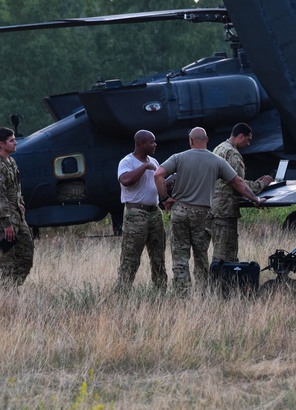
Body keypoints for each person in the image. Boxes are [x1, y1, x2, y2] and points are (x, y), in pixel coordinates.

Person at [154, 126, 263, 294]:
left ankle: (182, 293)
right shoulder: (217, 161)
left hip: (180, 211)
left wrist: (165, 199)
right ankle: (203, 292)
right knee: (201, 256)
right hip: (202, 213)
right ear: (207, 140)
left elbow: (158, 175)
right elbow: (238, 182)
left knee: (180, 256)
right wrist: (255, 198)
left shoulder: (178, 157)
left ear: (190, 141)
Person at [210, 123, 274, 262]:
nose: (249, 144)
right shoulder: (232, 153)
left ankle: (219, 280)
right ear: (240, 136)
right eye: (248, 139)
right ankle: (223, 281)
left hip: (216, 207)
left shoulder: (219, 148)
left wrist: (254, 185)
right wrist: (261, 186)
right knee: (226, 252)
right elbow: (237, 182)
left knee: (220, 247)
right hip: (225, 209)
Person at [116, 130, 167, 291]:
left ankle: (160, 290)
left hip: (154, 212)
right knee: (131, 257)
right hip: (136, 213)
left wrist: (166, 192)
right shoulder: (127, 162)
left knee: (158, 255)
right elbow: (125, 180)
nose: (155, 145)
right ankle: (122, 291)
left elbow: (157, 184)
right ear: (141, 144)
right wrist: (144, 167)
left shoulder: (154, 161)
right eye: (151, 142)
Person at [0, 127, 34, 287]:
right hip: (3, 219)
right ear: (1, 143)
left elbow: (14, 188)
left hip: (17, 215)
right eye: (11, 140)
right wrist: (6, 224)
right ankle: (7, 296)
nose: (15, 143)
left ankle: (13, 288)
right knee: (6, 259)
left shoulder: (11, 162)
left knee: (26, 255)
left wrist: (20, 204)